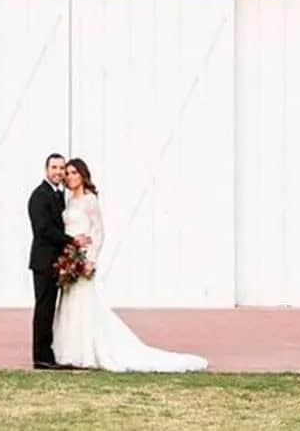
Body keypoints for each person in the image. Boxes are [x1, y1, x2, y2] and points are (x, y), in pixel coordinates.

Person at [52, 158, 208, 372]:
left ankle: (89, 351)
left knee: (85, 302)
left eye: (73, 172)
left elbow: (98, 231)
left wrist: (91, 259)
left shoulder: (90, 200)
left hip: (83, 257)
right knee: (70, 303)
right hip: (69, 255)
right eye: (67, 173)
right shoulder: (69, 201)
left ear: (83, 175)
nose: (69, 177)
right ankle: (71, 351)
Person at [27, 153, 90, 369]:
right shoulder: (39, 195)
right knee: (43, 309)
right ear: (46, 170)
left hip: (56, 263)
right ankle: (41, 358)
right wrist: (71, 241)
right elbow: (44, 230)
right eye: (54, 167)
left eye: (62, 168)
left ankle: (48, 354)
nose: (59, 172)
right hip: (43, 262)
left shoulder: (58, 195)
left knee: (50, 309)